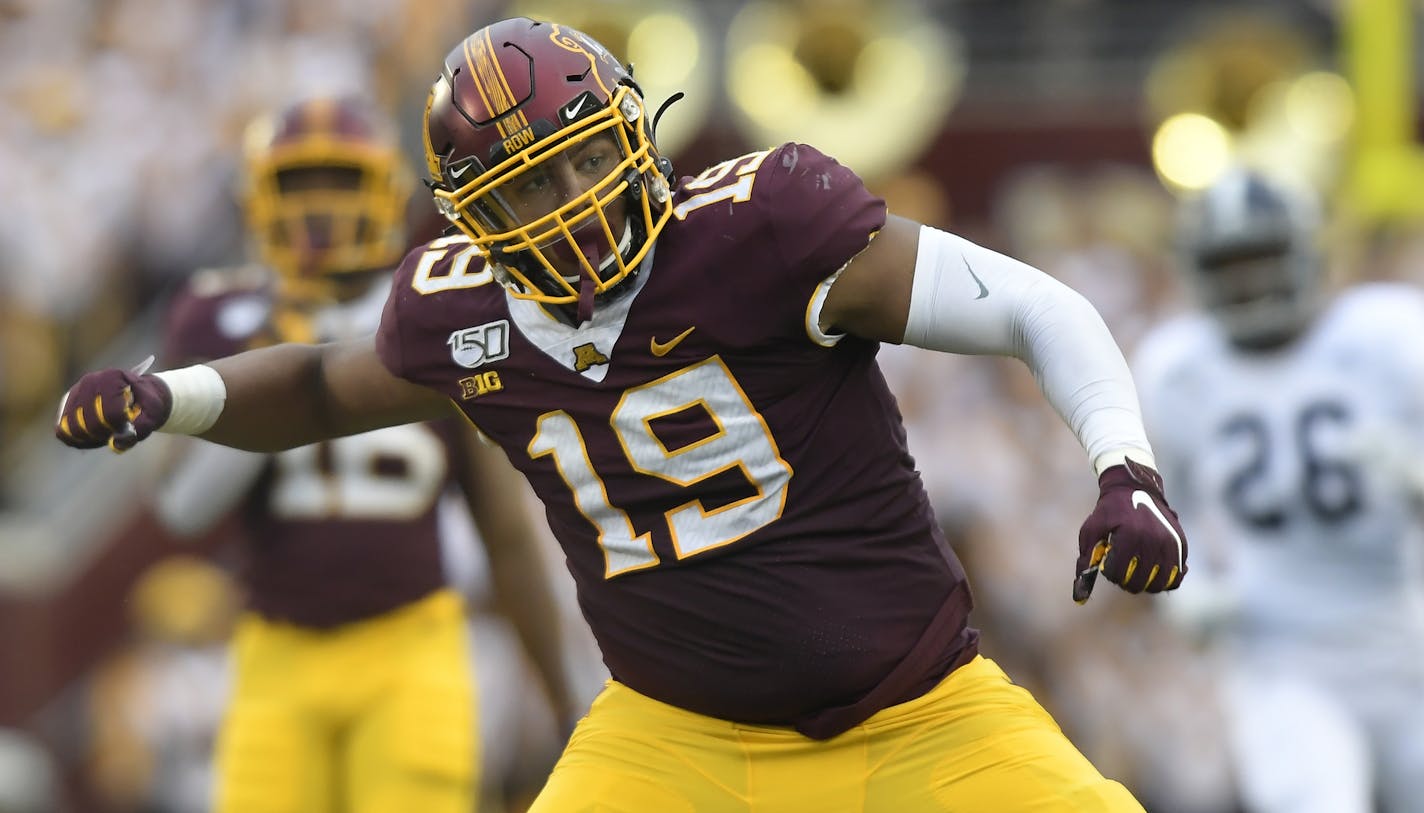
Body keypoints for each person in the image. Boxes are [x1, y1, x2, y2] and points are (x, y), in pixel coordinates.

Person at [56, 18, 1189, 811]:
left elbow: (1037, 308)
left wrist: (1122, 468)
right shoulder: (459, 313)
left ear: (633, 131)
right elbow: (314, 386)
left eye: (583, 160)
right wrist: (171, 395)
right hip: (671, 741)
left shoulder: (766, 229)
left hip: (917, 715)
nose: (569, 205)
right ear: (468, 213)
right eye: (523, 189)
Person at [142, 94, 579, 813]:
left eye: (341, 181)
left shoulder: (437, 308)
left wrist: (560, 690)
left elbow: (503, 529)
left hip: (412, 645)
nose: (320, 206)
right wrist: (270, 356)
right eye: (299, 183)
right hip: (274, 649)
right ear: (259, 196)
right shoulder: (218, 313)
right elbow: (183, 508)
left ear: (385, 190)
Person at [1132, 168, 1424, 813]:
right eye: (1230, 263)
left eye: (1261, 257)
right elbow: (1159, 510)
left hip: (1406, 637)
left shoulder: (1390, 332)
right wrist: (1187, 584)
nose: (1249, 280)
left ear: (1309, 251)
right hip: (1280, 652)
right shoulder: (1177, 370)